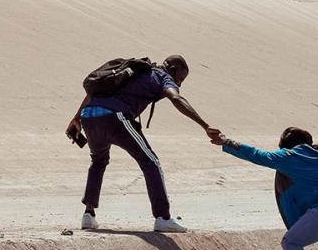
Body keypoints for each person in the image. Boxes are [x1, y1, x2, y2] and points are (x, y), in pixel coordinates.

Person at [65, 55, 213, 233]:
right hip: (114, 117)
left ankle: (88, 215)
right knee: (151, 162)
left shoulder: (136, 71)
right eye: (180, 78)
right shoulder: (162, 76)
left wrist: (76, 118)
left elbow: (94, 92)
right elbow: (176, 99)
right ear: (172, 70)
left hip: (88, 116)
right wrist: (205, 126)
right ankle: (163, 218)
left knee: (98, 161)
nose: (179, 84)